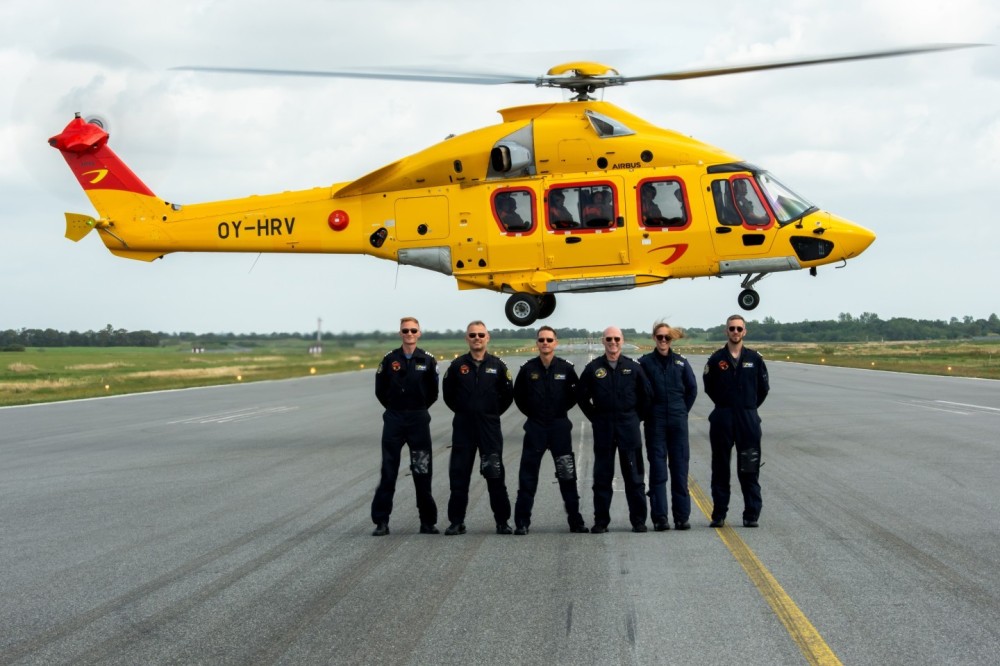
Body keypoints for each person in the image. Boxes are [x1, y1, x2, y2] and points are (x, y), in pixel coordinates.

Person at [512, 326, 589, 534]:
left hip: (559, 429)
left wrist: (559, 411)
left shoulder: (566, 369)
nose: (545, 343)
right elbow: (519, 397)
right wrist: (534, 414)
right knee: (527, 476)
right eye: (541, 340)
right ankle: (522, 522)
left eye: (549, 339)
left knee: (567, 475)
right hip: (535, 428)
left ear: (555, 342)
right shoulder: (527, 369)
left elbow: (576, 395)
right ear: (537, 343)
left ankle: (576, 521)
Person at [442, 321, 515, 535]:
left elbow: (507, 396)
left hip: (489, 429)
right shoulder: (457, 366)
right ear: (467, 338)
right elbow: (448, 395)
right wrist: (466, 411)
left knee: (495, 474)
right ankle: (456, 521)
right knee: (459, 476)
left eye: (481, 334)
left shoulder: (498, 366)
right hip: (464, 428)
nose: (477, 338)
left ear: (488, 337)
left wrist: (489, 413)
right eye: (472, 335)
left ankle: (502, 522)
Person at [577, 326, 652, 533]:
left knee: (634, 477)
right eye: (609, 339)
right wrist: (595, 418)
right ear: (603, 341)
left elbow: (646, 396)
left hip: (629, 427)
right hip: (604, 428)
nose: (613, 342)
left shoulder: (633, 367)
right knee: (602, 477)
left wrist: (636, 418)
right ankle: (601, 521)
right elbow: (582, 397)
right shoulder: (593, 369)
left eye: (616, 338)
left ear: (622, 340)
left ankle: (638, 521)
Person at [371, 317, 440, 536]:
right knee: (389, 471)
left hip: (418, 420)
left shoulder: (427, 360)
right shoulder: (390, 359)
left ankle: (427, 522)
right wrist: (395, 408)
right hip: (395, 419)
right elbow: (380, 390)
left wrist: (417, 407)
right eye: (405, 330)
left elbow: (433, 393)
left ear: (419, 333)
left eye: (413, 330)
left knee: (422, 470)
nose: (409, 333)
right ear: (400, 333)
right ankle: (381, 521)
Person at [703, 315, 770, 528]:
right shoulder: (715, 359)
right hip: (723, 417)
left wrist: (748, 407)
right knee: (720, 467)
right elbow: (709, 387)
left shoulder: (755, 359)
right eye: (732, 328)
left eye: (739, 328)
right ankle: (719, 514)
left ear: (744, 331)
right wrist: (726, 405)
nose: (735, 332)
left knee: (749, 466)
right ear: (726, 331)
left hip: (747, 419)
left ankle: (751, 514)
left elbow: (763, 389)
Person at [638, 322, 698, 531]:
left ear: (671, 339)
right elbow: (638, 392)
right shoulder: (644, 363)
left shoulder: (681, 363)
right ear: (653, 338)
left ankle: (682, 517)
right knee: (658, 472)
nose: (663, 341)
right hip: (655, 423)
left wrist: (681, 411)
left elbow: (691, 390)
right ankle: (660, 518)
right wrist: (648, 414)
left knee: (680, 471)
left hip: (677, 423)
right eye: (660, 337)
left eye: (667, 338)